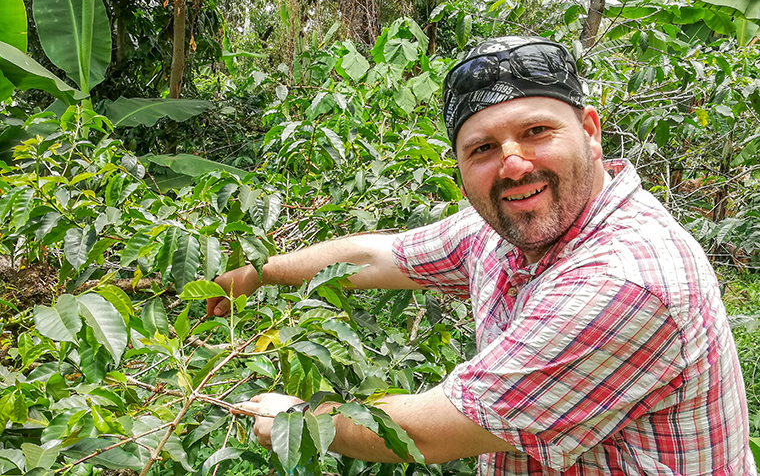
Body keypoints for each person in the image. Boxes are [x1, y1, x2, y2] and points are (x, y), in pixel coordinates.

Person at [207, 36, 756, 475]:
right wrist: (256, 274)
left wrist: (298, 418)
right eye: (484, 148)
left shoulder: (622, 279)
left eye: (536, 132)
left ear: (590, 132)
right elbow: (381, 255)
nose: (513, 164)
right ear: (461, 166)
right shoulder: (507, 226)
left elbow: (428, 431)